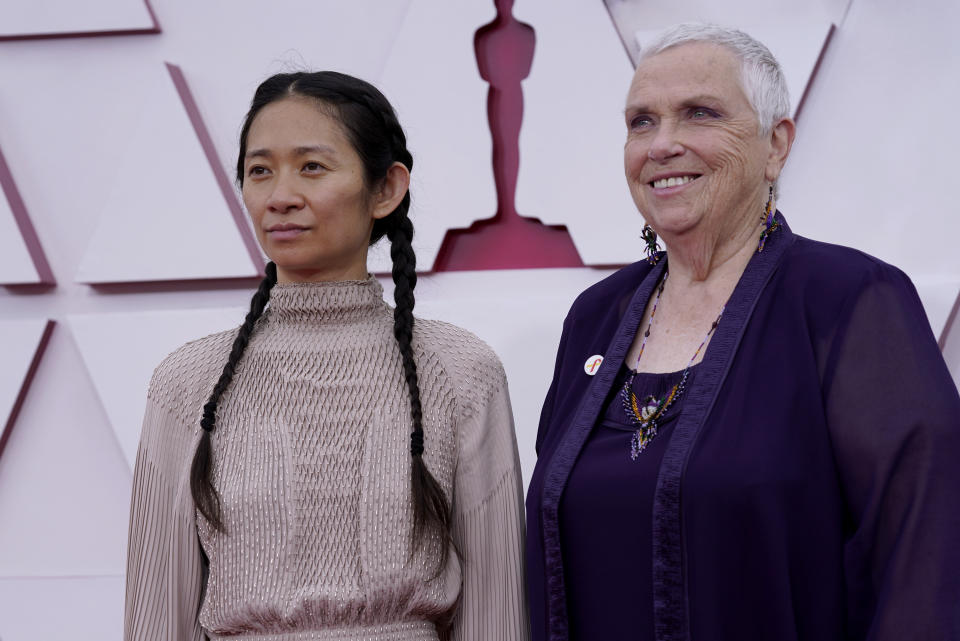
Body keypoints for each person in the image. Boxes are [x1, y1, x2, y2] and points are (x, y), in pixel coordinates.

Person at [525, 23, 960, 641]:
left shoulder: (851, 300)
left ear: (776, 144)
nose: (662, 144)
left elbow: (926, 552)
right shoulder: (596, 317)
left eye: (699, 114)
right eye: (641, 122)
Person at [124, 71, 529, 641]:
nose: (281, 196)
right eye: (260, 170)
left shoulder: (459, 370)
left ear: (386, 188)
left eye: (311, 166)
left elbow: (498, 611)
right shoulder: (188, 382)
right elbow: (155, 618)